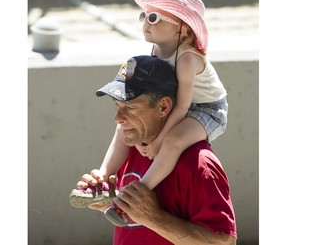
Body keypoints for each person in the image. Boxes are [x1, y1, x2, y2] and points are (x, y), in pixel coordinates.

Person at [70, 55, 237, 245]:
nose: (118, 118)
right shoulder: (132, 146)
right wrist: (113, 201)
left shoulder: (199, 163)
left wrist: (154, 218)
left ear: (163, 106)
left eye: (130, 107)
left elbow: (224, 242)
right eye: (117, 105)